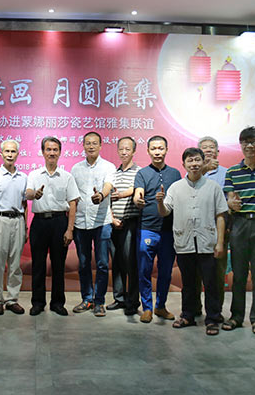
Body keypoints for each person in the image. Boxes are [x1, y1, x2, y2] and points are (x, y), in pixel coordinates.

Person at [159, 147, 228, 335]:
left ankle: (212, 318)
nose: (194, 164)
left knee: (211, 283)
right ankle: (188, 315)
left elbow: (221, 215)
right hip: (185, 242)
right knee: (188, 283)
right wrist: (159, 202)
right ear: (184, 164)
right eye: (190, 161)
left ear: (203, 162)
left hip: (207, 243)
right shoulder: (176, 187)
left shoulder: (213, 187)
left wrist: (220, 242)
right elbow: (165, 211)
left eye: (197, 160)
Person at [220, 127, 255, 334]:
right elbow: (230, 199)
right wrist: (231, 204)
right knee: (239, 273)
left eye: (253, 142)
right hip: (239, 224)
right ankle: (236, 316)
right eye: (245, 142)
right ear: (241, 145)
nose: (249, 146)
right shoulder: (232, 172)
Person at [26, 136, 79, 316]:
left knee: (58, 265)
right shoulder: (34, 175)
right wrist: (34, 194)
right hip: (39, 222)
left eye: (55, 149)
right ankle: (38, 302)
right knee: (38, 265)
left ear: (60, 152)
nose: (51, 153)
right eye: (48, 149)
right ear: (42, 152)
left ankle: (57, 303)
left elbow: (73, 203)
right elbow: (28, 193)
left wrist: (70, 229)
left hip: (59, 222)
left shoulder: (67, 177)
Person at [133, 135, 181, 323]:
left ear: (166, 150)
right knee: (144, 270)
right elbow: (138, 193)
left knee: (166, 271)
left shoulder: (175, 174)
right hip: (147, 228)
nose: (157, 152)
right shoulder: (142, 173)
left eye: (160, 148)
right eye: (153, 149)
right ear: (148, 151)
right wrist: (137, 199)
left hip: (169, 230)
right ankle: (146, 308)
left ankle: (160, 306)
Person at [70, 132, 116, 317]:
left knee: (102, 263)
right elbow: (72, 195)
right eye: (88, 143)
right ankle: (87, 298)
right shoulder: (76, 169)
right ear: (83, 145)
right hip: (81, 222)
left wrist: (102, 195)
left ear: (100, 145)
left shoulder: (108, 166)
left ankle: (99, 301)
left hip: (102, 222)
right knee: (83, 264)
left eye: (94, 143)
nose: (91, 146)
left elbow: (108, 185)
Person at [0, 139, 28, 315]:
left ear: (18, 154)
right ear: (1, 153)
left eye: (13, 151)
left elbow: (25, 203)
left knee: (15, 263)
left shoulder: (23, 177)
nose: (10, 154)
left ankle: (12, 300)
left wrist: (26, 226)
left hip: (18, 221)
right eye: (7, 151)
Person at [105, 137, 141, 315]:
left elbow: (137, 189)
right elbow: (108, 198)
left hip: (130, 222)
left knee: (130, 263)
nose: (124, 152)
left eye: (128, 149)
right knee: (117, 262)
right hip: (114, 223)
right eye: (121, 149)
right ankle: (119, 298)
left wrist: (121, 195)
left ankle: (133, 302)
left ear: (134, 151)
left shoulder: (139, 172)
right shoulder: (114, 173)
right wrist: (112, 218)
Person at [197, 136, 228, 314]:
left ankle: (215, 312)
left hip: (218, 231)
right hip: (195, 231)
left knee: (217, 275)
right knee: (194, 275)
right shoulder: (192, 172)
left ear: (217, 151)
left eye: (211, 147)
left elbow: (228, 204)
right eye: (204, 147)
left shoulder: (227, 173)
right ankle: (194, 309)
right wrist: (203, 170)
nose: (208, 150)